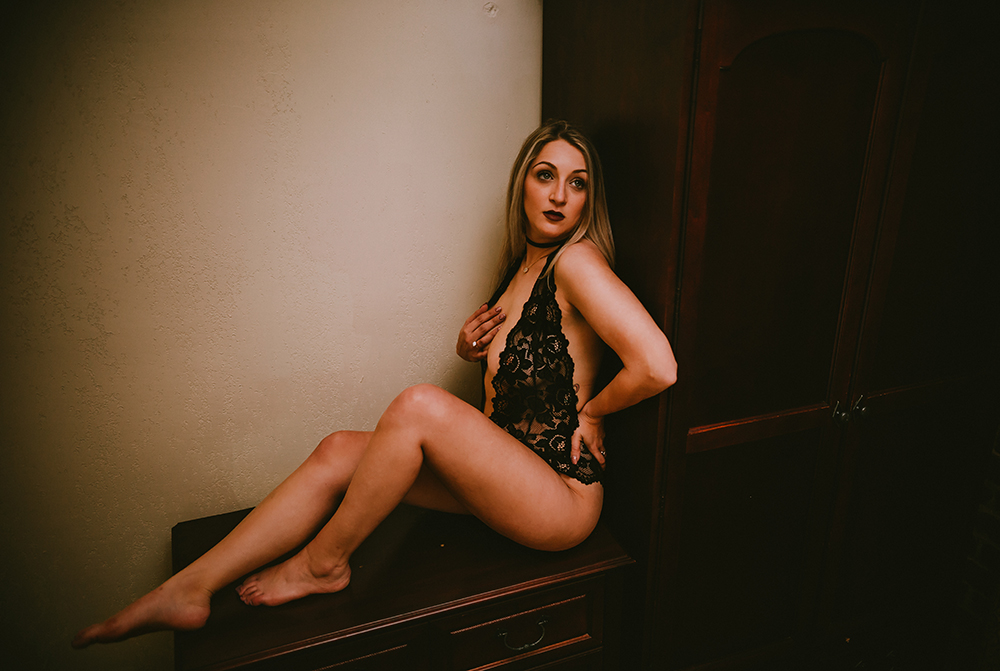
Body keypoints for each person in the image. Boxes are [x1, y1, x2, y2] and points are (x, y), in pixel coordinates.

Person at [72, 119, 677, 648]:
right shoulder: (524, 266)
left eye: (577, 183)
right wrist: (470, 350)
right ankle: (188, 588)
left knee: (419, 405)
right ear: (522, 183)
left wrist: (593, 414)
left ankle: (323, 564)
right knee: (338, 449)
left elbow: (657, 366)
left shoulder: (576, 261)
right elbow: (530, 379)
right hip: (509, 478)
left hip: (560, 499)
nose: (559, 195)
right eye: (546, 175)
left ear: (589, 200)